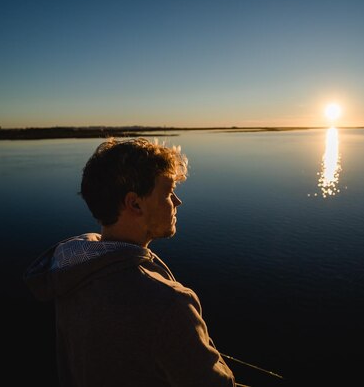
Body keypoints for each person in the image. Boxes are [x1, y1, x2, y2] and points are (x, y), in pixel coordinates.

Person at [24, 137, 235, 387]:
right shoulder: (169, 304)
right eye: (168, 193)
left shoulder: (68, 269)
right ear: (134, 203)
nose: (178, 202)